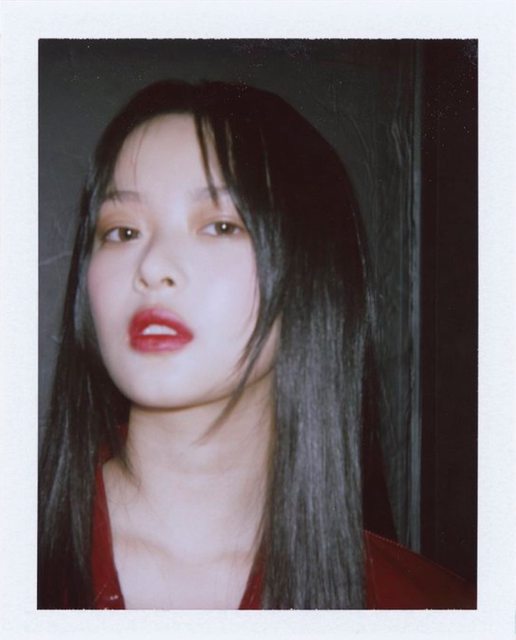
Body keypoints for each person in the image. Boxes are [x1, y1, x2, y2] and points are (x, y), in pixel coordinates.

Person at [38, 80, 475, 610]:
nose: (151, 266)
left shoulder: (431, 608)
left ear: (312, 275)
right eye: (122, 231)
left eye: (221, 226)